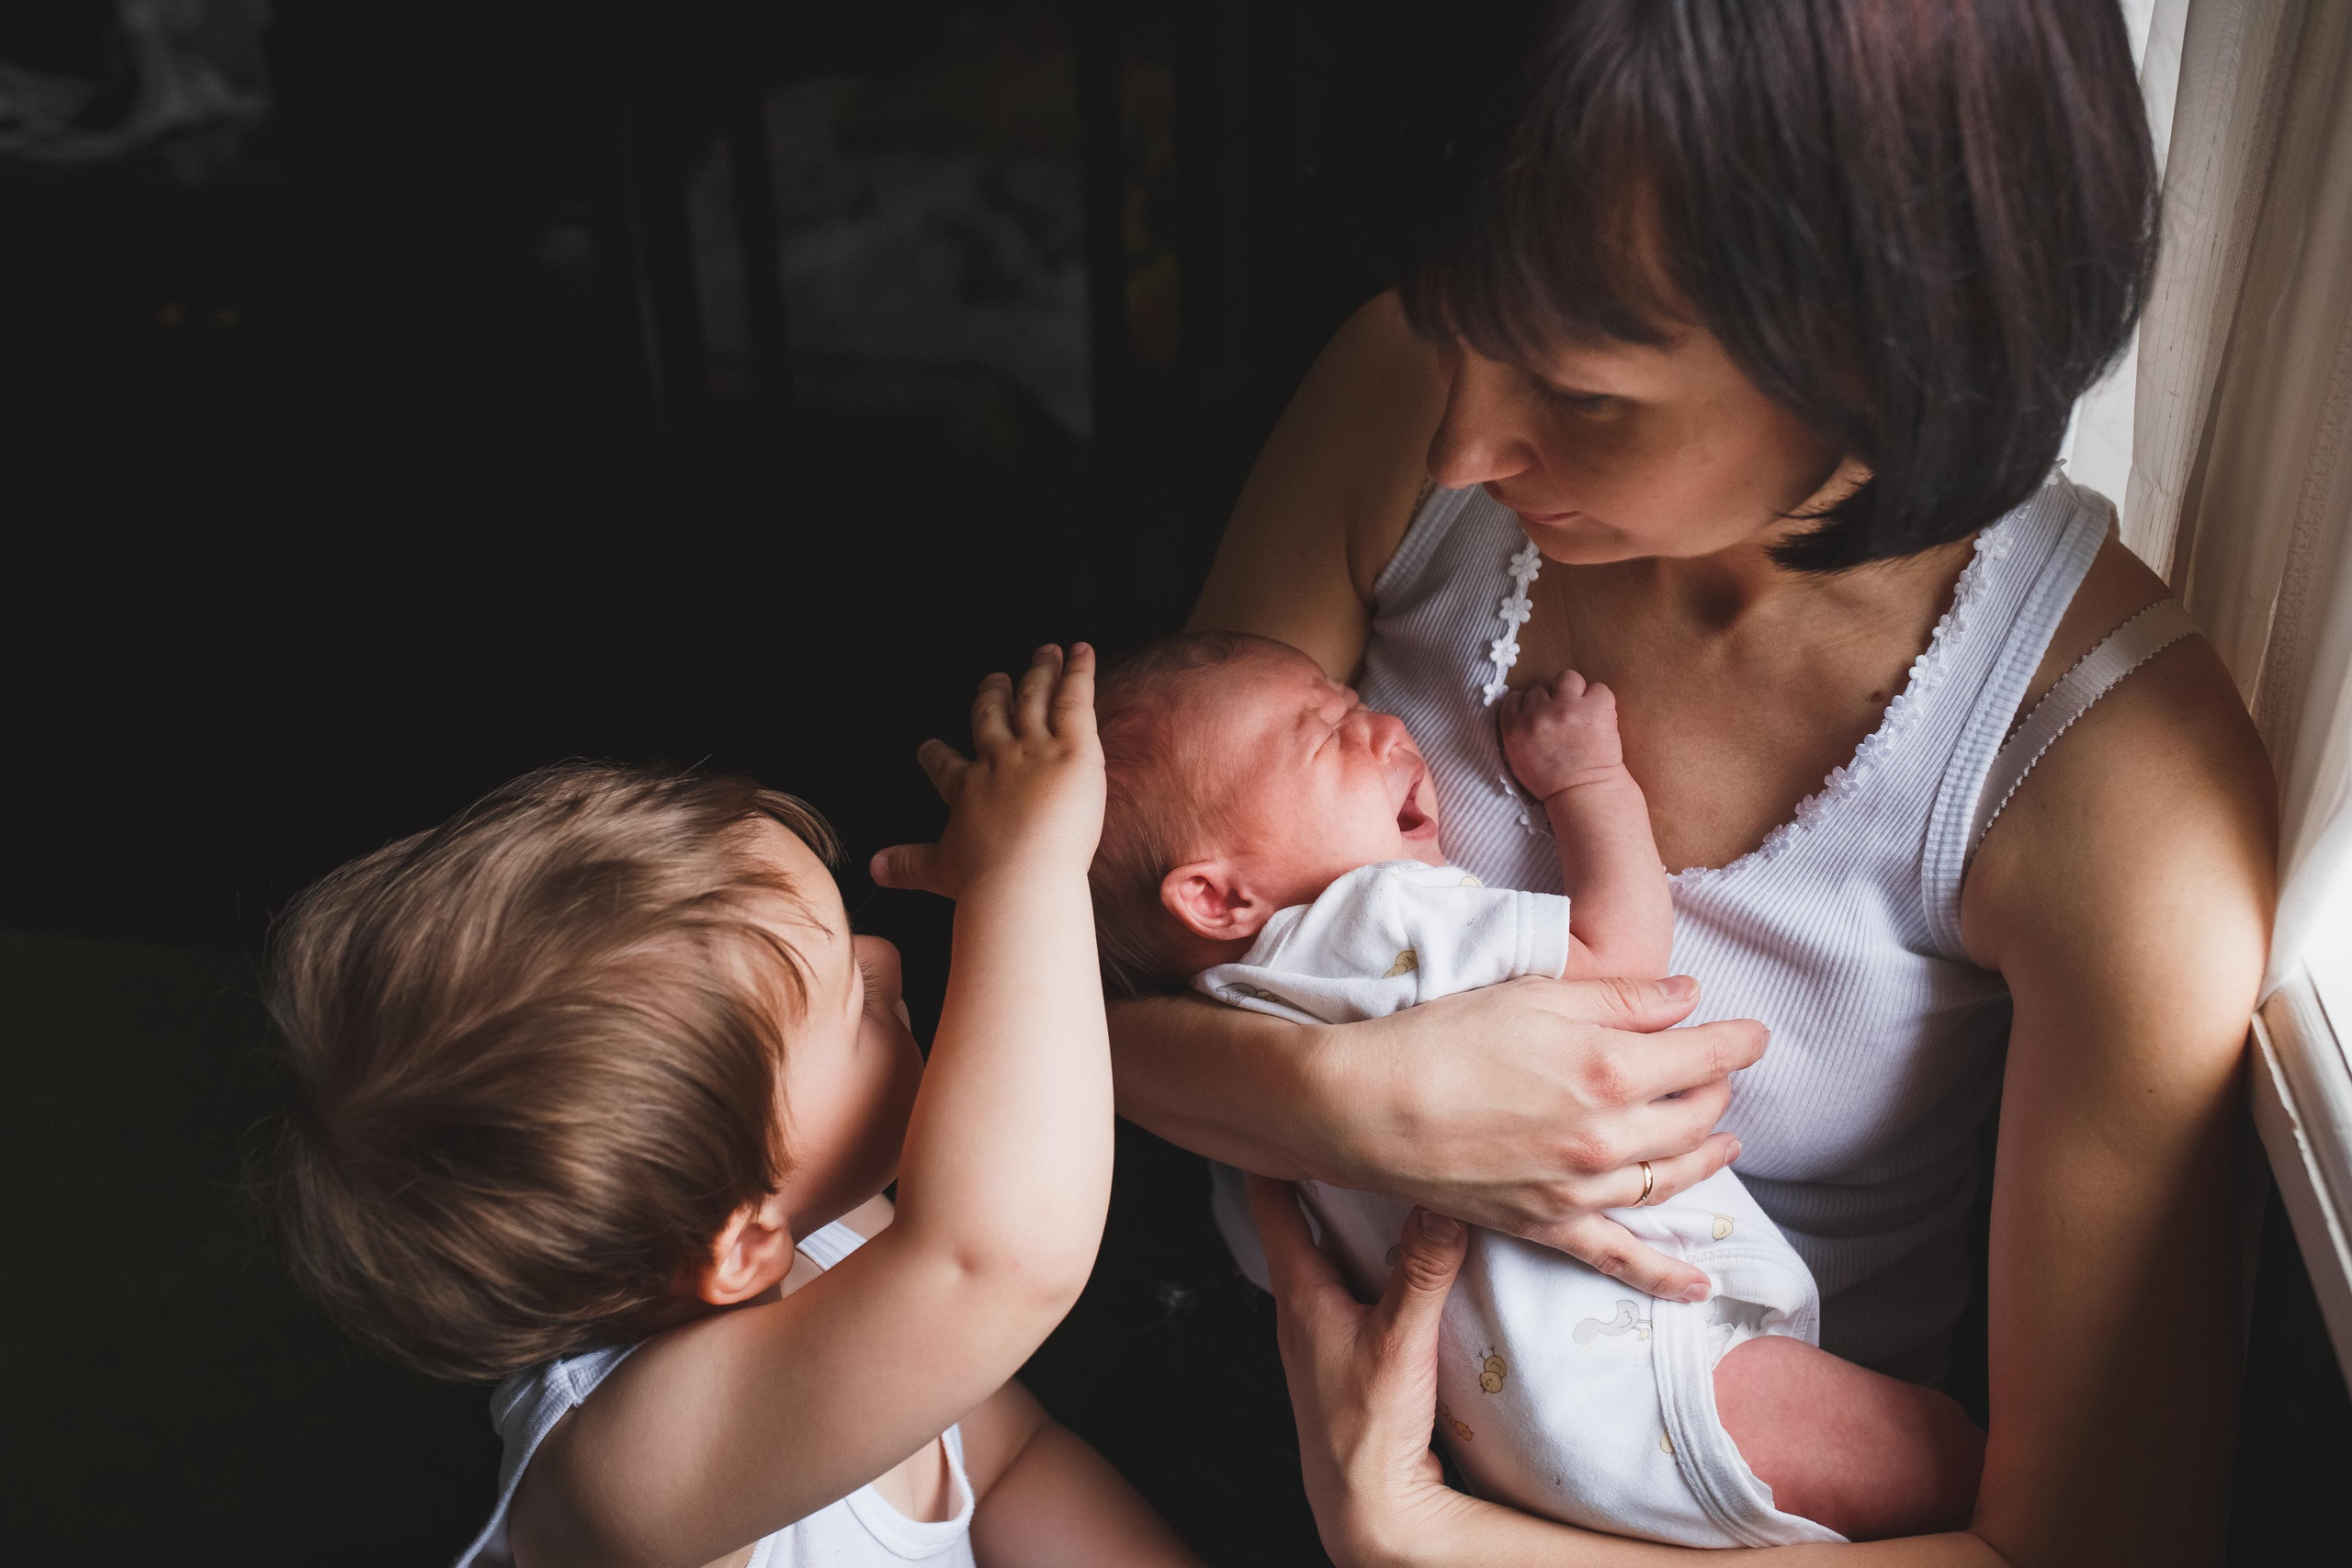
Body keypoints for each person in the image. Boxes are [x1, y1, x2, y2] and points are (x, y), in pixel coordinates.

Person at [1061, 3, 2277, 1562]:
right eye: (1454, 319)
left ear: (1874, 338)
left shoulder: (2113, 778)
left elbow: (2089, 1542)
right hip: (1206, 1372)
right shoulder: (1395, 395)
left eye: (1581, 397)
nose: (1457, 443)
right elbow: (1082, 968)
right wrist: (1351, 1100)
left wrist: (1418, 1534)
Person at [258, 648, 1204, 1568]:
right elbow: (999, 1260)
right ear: (743, 1244)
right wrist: (1026, 874)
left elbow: (1002, 1464)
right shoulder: (623, 1478)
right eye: (857, 1005)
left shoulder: (832, 1237)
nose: (889, 964)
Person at [1085, 628, 1984, 1543]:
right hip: (1657, 1374)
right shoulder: (1373, 915)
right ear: (1215, 899)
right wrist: (1588, 785)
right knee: (1955, 1471)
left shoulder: (1228, 1010)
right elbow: (1617, 965)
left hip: (1523, 1445)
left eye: (1355, 702)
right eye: (1323, 734)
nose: (1384, 726)